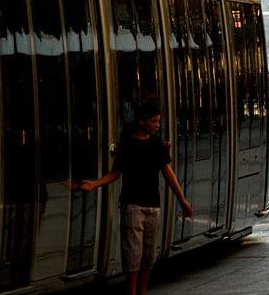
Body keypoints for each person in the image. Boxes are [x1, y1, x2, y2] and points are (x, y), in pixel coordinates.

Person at [81, 102, 194, 295]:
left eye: (158, 121)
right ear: (141, 122)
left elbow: (168, 174)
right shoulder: (128, 144)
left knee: (148, 254)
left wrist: (182, 200)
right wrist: (95, 184)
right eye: (153, 121)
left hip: (153, 206)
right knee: (133, 253)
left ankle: (142, 291)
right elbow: (115, 173)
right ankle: (132, 291)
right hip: (132, 205)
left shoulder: (157, 144)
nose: (157, 125)